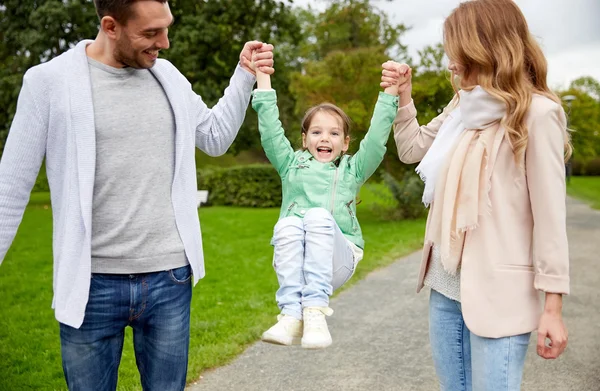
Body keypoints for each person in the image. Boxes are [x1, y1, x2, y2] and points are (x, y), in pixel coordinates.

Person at [0, 0, 274, 389]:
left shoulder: (168, 76)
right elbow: (9, 189)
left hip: (170, 279)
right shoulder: (49, 82)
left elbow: (214, 138)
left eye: (166, 28)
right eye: (150, 33)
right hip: (90, 284)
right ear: (111, 26)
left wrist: (244, 74)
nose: (164, 42)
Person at [381, 0, 570, 389]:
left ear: (484, 47)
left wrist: (553, 307)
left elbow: (551, 221)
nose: (451, 61)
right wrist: (403, 98)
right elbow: (413, 148)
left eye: (457, 49)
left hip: (500, 294)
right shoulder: (462, 106)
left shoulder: (537, 114)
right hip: (445, 287)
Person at [250, 57, 402, 349]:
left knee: (318, 217)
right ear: (305, 139)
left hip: (338, 259)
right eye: (317, 132)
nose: (325, 138)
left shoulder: (352, 170)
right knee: (289, 224)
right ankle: (291, 315)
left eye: (334, 133)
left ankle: (315, 311)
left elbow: (376, 138)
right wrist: (262, 77)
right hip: (297, 261)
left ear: (345, 143)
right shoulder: (290, 164)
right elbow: (270, 129)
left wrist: (391, 91)